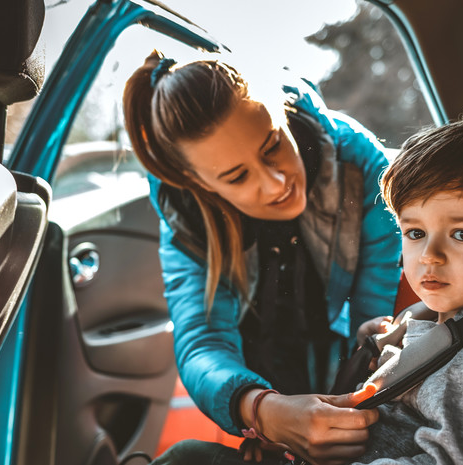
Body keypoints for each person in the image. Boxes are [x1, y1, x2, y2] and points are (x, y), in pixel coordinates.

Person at [122, 50, 401, 465]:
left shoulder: (359, 165)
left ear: (281, 112)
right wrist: (262, 411)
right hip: (258, 363)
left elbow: (376, 314)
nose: (275, 184)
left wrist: (347, 407)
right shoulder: (188, 219)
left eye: (273, 145)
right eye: (237, 176)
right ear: (199, 182)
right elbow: (203, 342)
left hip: (336, 350)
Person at [347, 117, 463, 465]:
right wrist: (388, 345)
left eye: (462, 234)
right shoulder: (439, 313)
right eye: (415, 233)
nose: (429, 255)